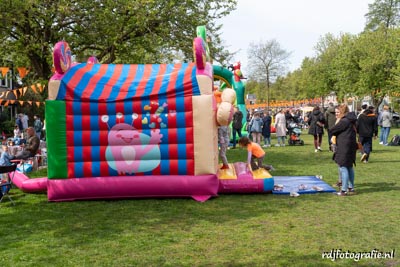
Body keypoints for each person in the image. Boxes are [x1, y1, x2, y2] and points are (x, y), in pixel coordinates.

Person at [330, 104, 358, 196]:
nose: (336, 114)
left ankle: (343, 190)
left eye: (338, 112)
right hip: (351, 146)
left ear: (342, 112)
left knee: (343, 166)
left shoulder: (344, 121)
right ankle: (351, 187)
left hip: (344, 146)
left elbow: (333, 130)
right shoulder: (351, 120)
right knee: (349, 166)